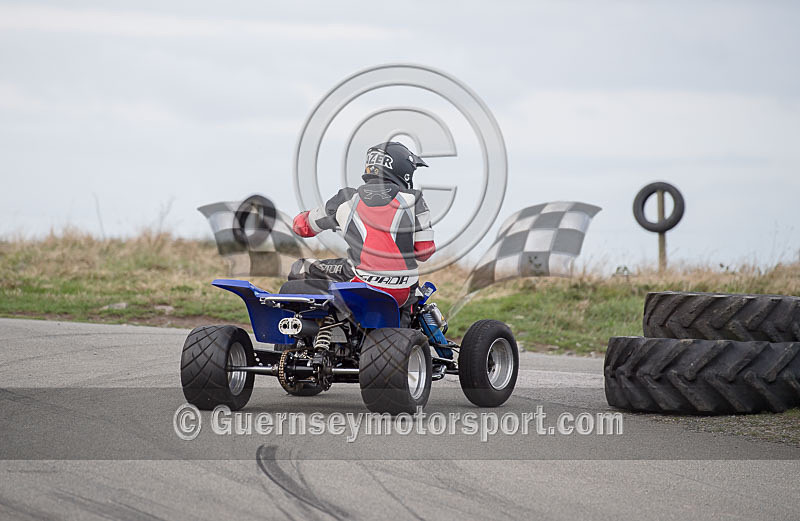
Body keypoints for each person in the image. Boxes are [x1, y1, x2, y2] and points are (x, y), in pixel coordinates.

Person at [292, 142, 435, 308]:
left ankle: (322, 325)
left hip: (360, 281)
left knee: (300, 268)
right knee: (413, 300)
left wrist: (309, 217)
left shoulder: (345, 199)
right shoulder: (416, 200)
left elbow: (301, 227)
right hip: (404, 291)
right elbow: (424, 252)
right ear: (403, 171)